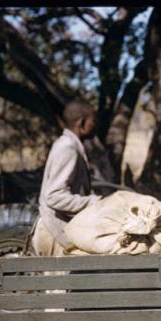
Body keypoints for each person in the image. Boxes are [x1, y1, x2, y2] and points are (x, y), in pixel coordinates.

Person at [31, 99, 102, 256]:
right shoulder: (67, 148)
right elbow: (54, 196)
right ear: (81, 123)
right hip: (54, 232)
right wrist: (92, 202)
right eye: (93, 121)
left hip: (58, 230)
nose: (95, 125)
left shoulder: (70, 144)